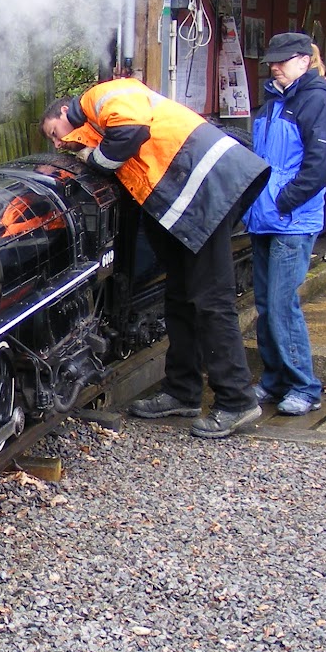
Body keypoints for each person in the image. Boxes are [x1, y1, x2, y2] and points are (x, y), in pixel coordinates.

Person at [41, 79, 270, 439]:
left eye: (54, 133)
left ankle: (237, 400)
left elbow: (131, 133)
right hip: (190, 195)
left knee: (212, 301)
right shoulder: (94, 125)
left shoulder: (99, 98)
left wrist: (92, 158)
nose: (57, 143)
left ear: (63, 112)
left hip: (210, 187)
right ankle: (182, 391)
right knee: (179, 295)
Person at [244, 32, 326, 416]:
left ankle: (305, 386)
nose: (274, 66)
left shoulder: (317, 101)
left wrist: (283, 202)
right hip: (265, 219)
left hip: (292, 220)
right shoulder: (275, 100)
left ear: (304, 61)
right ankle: (274, 381)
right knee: (267, 305)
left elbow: (321, 165)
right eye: (272, 60)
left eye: (282, 60)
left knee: (282, 305)